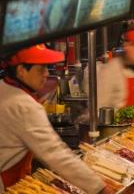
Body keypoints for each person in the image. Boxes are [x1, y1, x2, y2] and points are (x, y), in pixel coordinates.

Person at [0, 45, 108, 193]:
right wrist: (99, 188)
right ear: (21, 71)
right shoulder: (23, 105)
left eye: (47, 68)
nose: (46, 74)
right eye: (40, 69)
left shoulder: (4, 87)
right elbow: (56, 154)